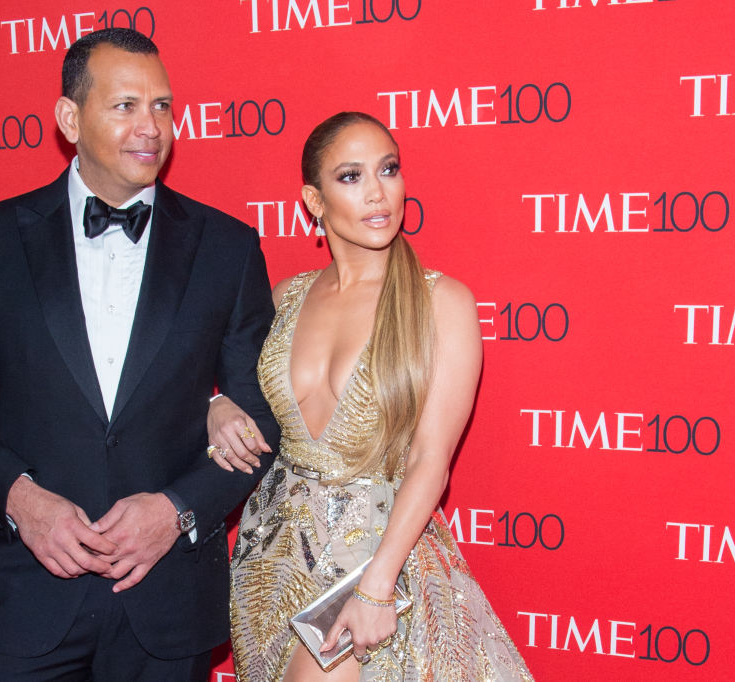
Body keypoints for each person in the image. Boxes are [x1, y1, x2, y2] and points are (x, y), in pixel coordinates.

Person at [0, 28, 279, 680]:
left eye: (163, 106)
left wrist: (176, 510)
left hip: (166, 605)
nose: (151, 127)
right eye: (126, 106)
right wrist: (20, 500)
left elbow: (261, 416)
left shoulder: (227, 249)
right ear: (69, 118)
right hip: (27, 598)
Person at [208, 112, 534, 681]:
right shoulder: (285, 297)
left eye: (388, 168)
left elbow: (430, 462)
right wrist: (217, 408)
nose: (379, 192)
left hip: (375, 556)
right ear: (314, 198)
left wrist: (378, 586)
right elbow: (246, 405)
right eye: (351, 176)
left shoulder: (441, 303)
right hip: (270, 561)